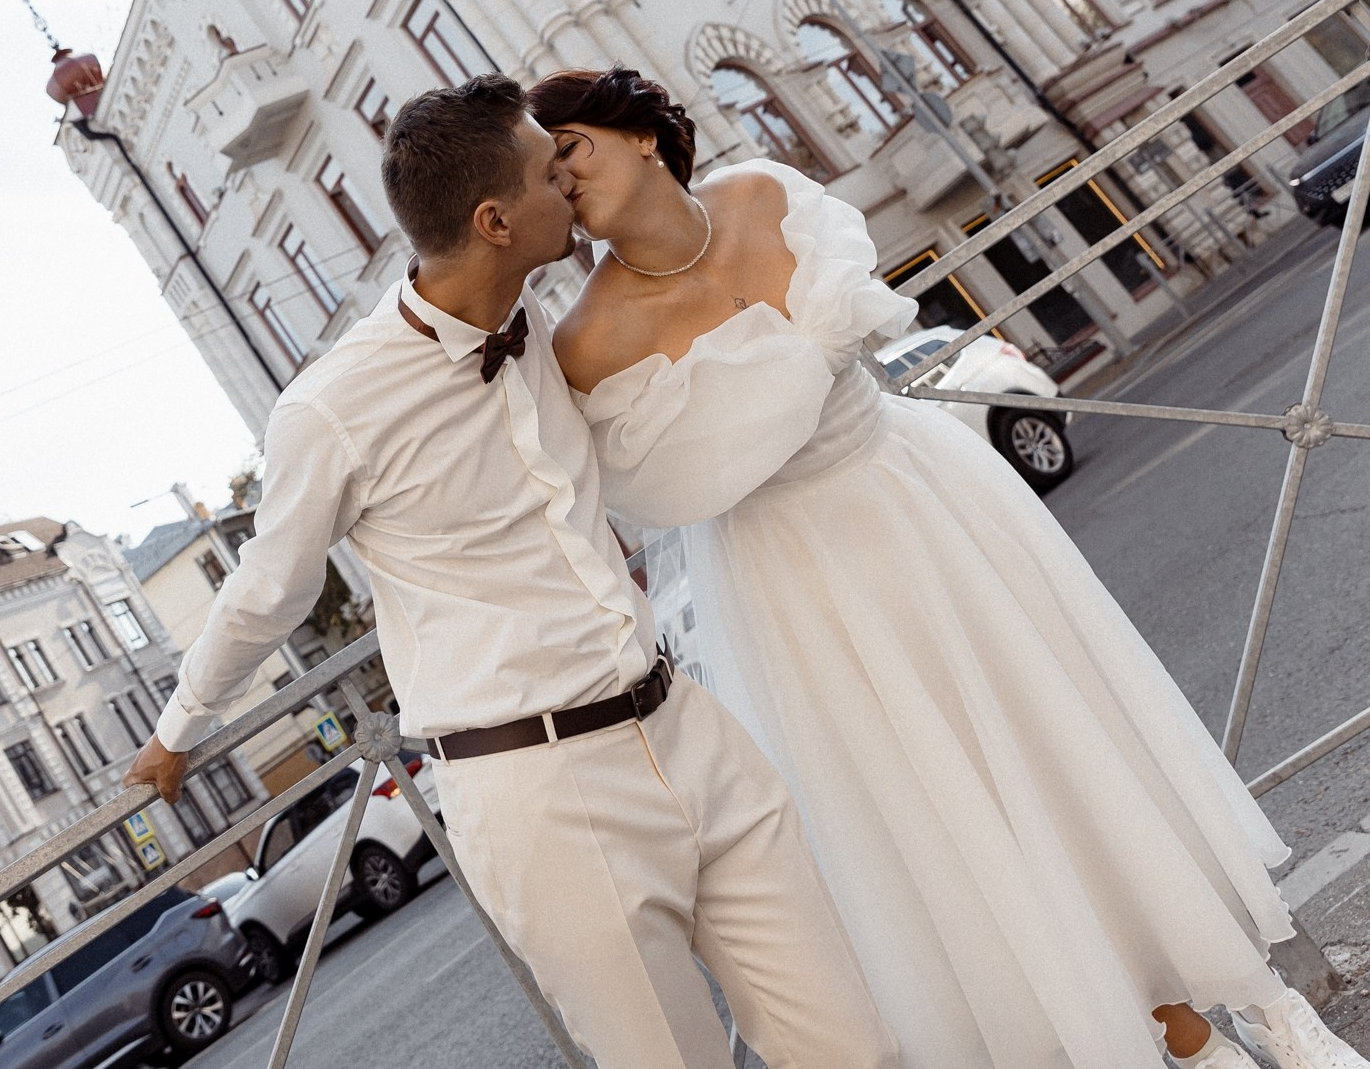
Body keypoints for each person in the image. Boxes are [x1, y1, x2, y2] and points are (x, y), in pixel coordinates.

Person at [530, 64, 1362, 1069]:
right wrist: (797, 359)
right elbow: (666, 487)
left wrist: (793, 363)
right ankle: (1177, 1042)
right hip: (801, 587)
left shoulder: (761, 192)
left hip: (924, 501)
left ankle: (1260, 1003)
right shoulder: (582, 342)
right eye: (542, 170)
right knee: (962, 823)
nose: (559, 179)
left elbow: (847, 326)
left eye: (567, 147)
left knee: (1066, 750)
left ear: (637, 135)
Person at [124, 74, 897, 1069]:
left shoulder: (550, 323)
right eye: (548, 170)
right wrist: (177, 729)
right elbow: (268, 589)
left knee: (855, 1048)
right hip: (543, 795)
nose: (569, 182)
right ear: (494, 220)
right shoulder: (331, 409)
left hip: (683, 725)